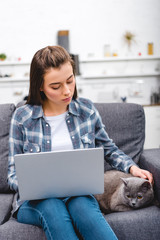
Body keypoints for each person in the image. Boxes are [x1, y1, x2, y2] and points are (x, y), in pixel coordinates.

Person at [8, 45, 153, 240]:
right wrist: (31, 185)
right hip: (35, 202)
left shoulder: (86, 110)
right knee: (53, 206)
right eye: (56, 86)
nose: (67, 91)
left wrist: (132, 168)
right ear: (40, 86)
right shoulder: (22, 117)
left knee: (83, 206)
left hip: (78, 194)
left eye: (70, 80)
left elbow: (108, 149)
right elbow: (12, 173)